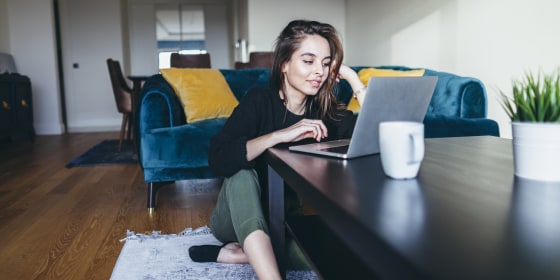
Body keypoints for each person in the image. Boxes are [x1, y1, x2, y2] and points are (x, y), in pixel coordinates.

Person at [188, 19, 367, 279]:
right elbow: (218, 158)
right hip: (233, 218)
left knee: (340, 255)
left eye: (326, 63)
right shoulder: (259, 101)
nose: (319, 71)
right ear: (284, 64)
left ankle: (244, 253)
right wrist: (278, 136)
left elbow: (374, 134)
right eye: (309, 61)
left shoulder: (325, 113)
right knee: (241, 172)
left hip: (282, 221)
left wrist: (353, 79)